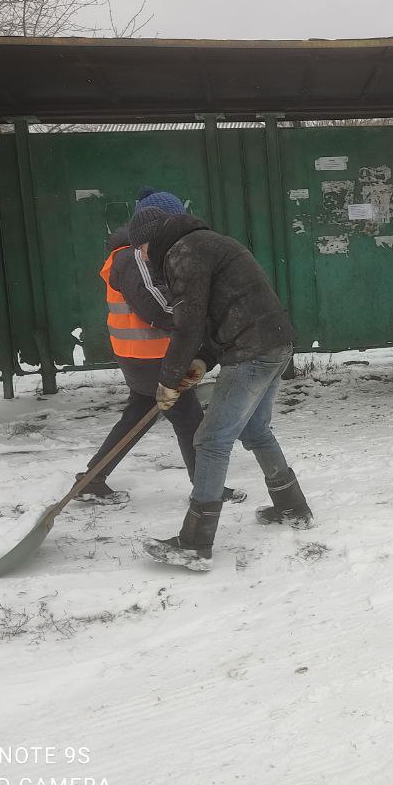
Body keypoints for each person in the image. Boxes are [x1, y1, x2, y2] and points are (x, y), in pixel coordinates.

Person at [129, 207, 313, 572]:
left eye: (141, 249)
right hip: (275, 341)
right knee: (255, 428)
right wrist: (202, 361)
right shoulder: (208, 243)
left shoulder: (182, 253)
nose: (142, 258)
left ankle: (195, 543)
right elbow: (222, 311)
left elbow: (189, 323)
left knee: (211, 441)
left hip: (251, 350)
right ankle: (292, 507)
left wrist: (168, 379)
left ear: (152, 240)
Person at [77, 190, 242, 503]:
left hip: (141, 354)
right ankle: (208, 489)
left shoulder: (135, 255)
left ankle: (92, 478)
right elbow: (154, 306)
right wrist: (195, 322)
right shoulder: (132, 257)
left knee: (139, 414)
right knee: (190, 420)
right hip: (151, 354)